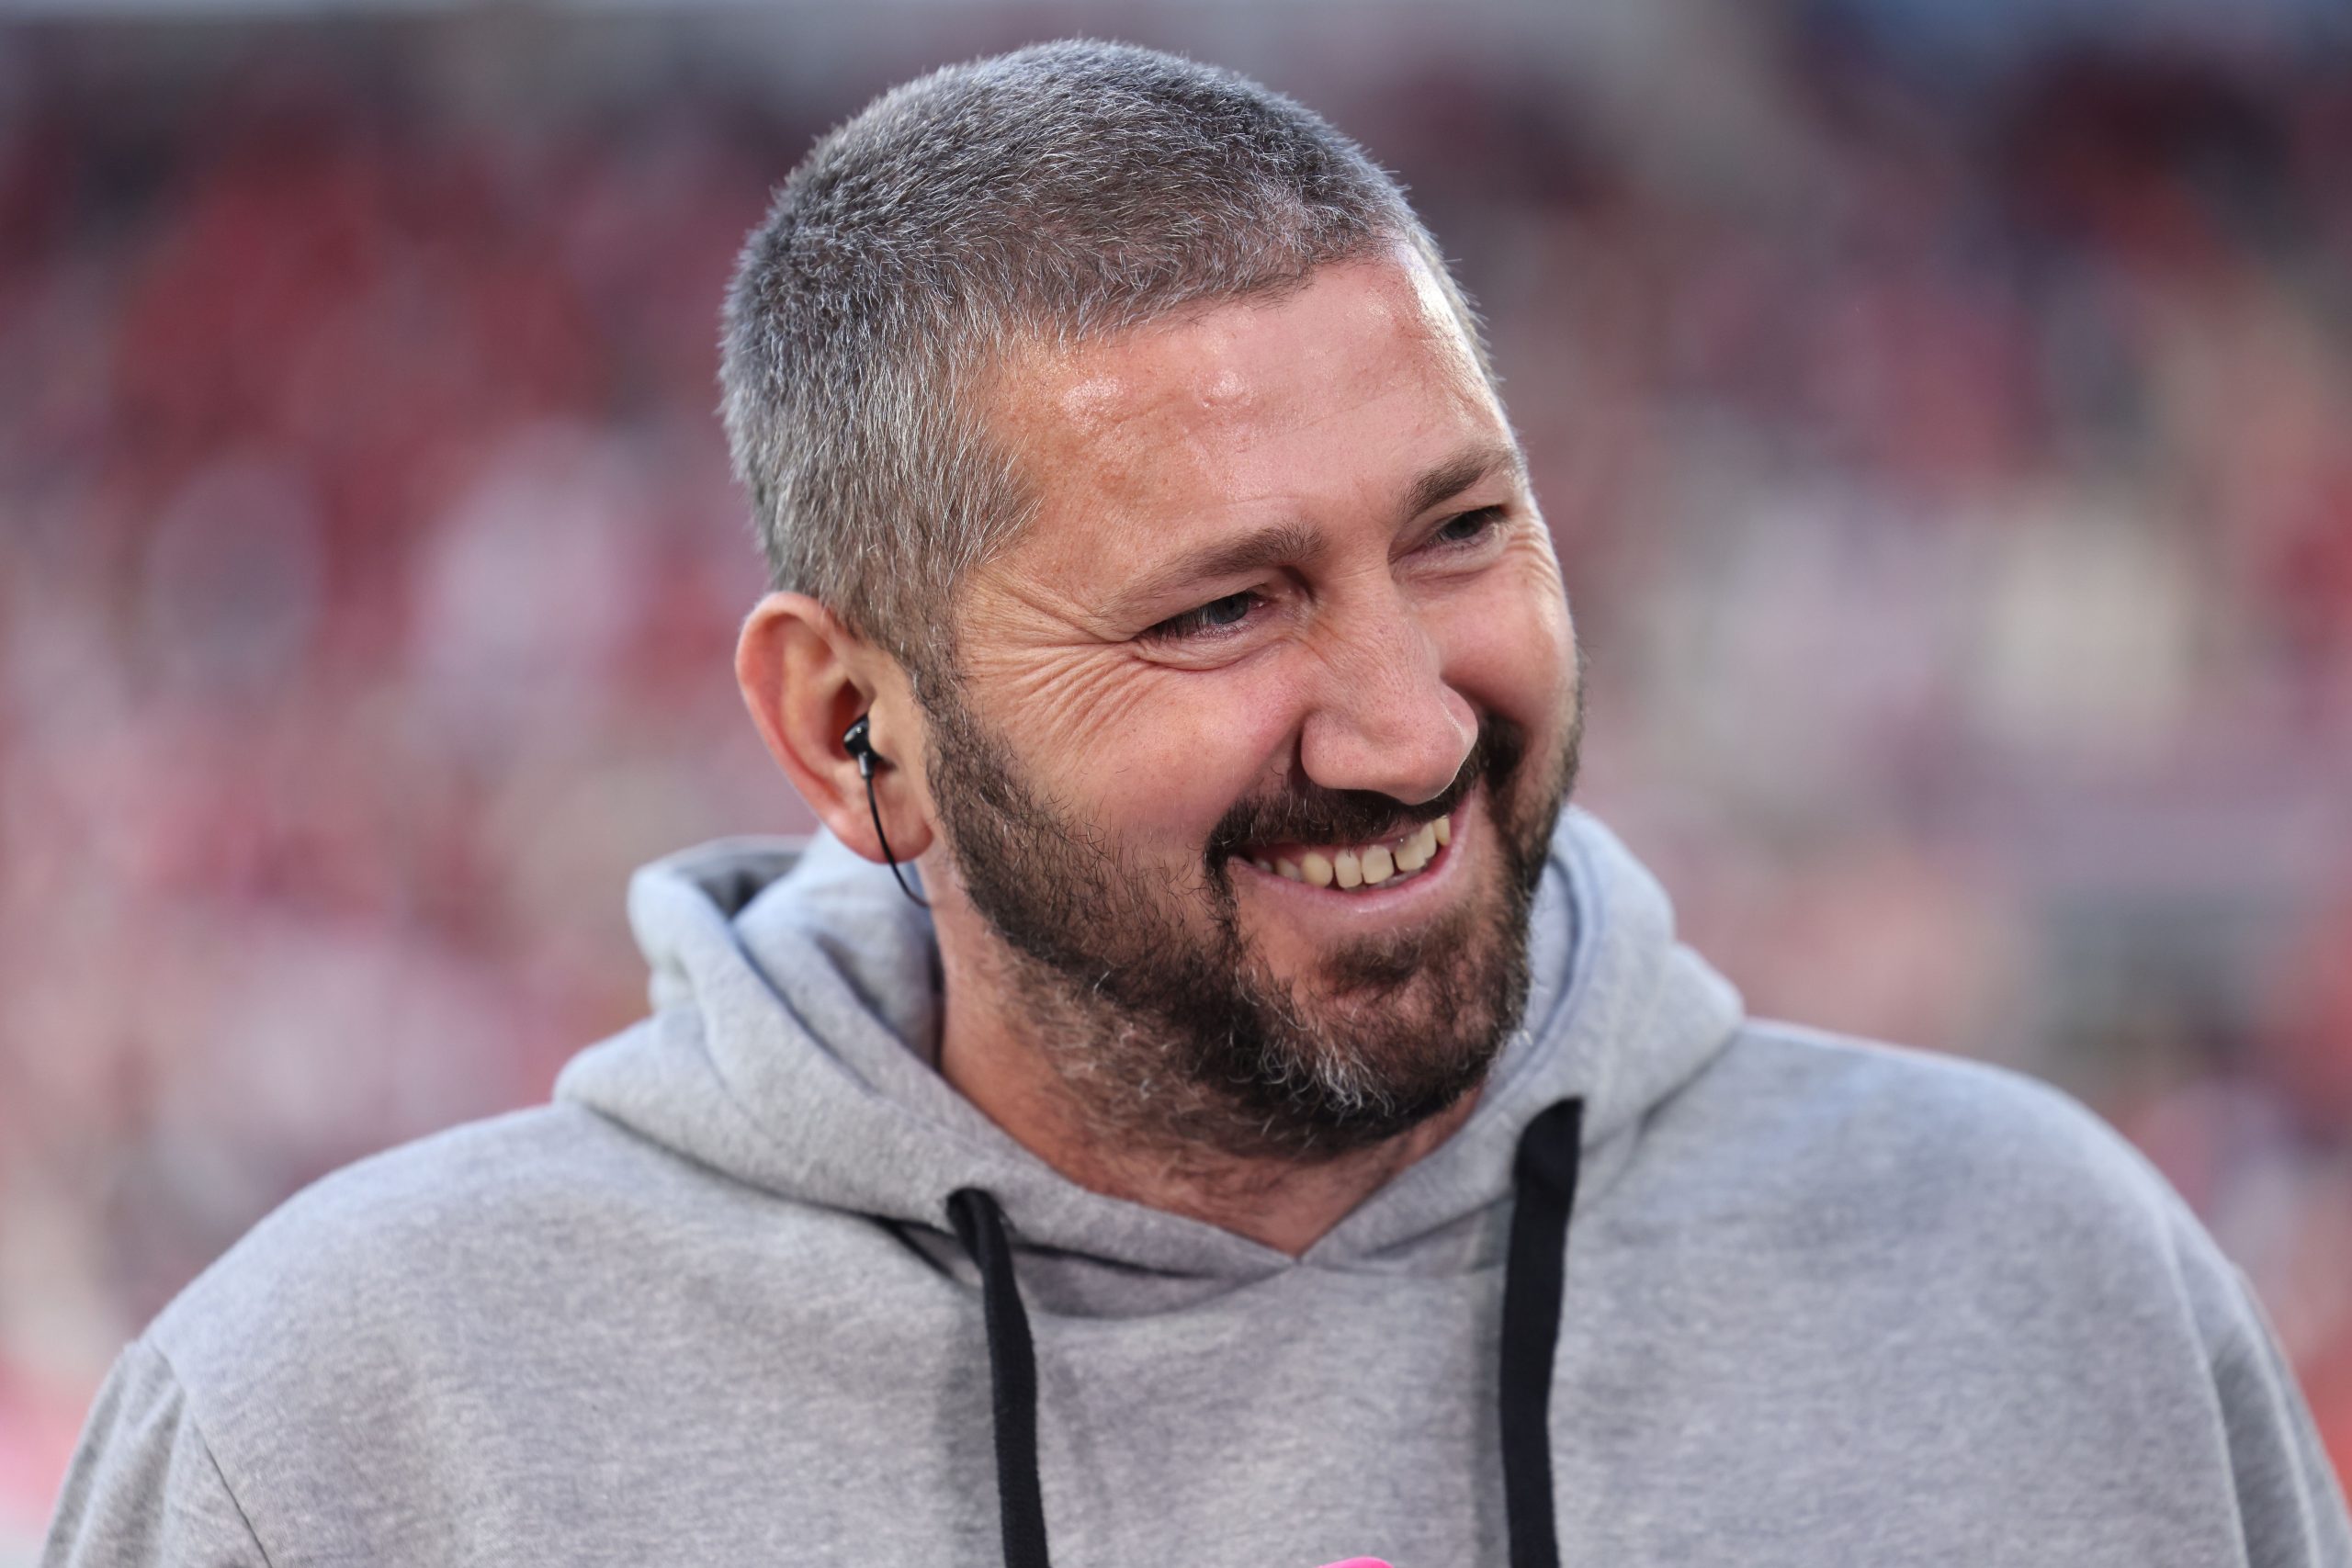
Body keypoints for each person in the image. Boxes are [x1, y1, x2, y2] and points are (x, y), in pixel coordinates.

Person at [42, 39, 2352, 1568]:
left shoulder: (2051, 1290)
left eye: (1460, 531)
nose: (1402, 726)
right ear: (848, 724)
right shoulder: (351, 1428)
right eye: (1222, 608)